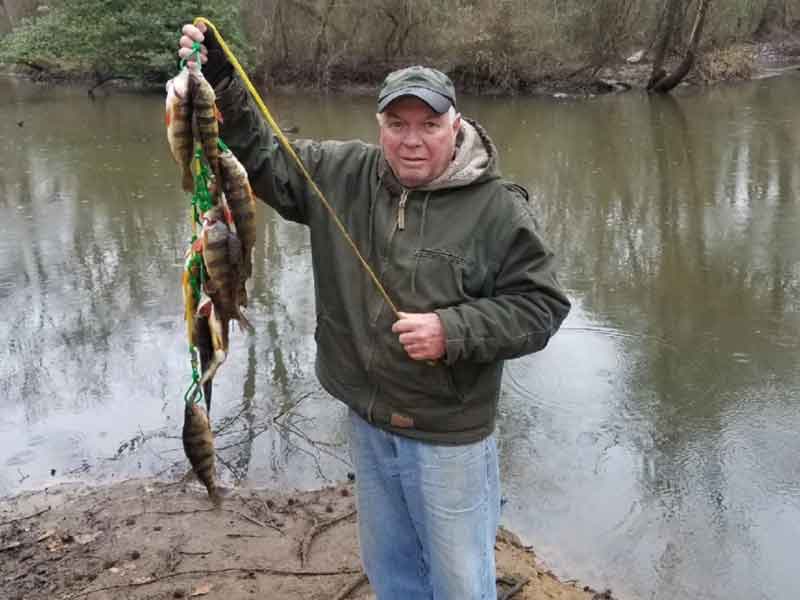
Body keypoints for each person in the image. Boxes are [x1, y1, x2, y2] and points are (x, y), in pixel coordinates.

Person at [179, 22, 571, 600]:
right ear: (380, 126)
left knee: (461, 578)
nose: (412, 140)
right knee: (391, 569)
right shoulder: (343, 173)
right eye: (397, 125)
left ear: (455, 126)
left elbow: (541, 308)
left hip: (448, 432)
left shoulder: (499, 211)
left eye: (429, 125)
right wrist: (218, 80)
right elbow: (260, 157)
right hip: (365, 413)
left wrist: (452, 329)